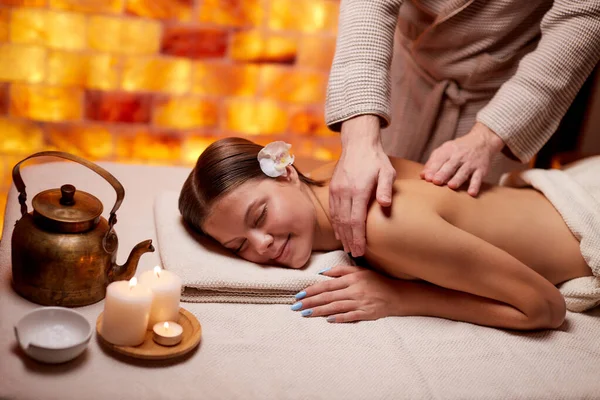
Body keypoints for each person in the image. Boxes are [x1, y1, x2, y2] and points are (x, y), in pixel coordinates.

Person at [178, 138, 594, 331]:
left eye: (260, 215)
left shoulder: (379, 226)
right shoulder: (331, 174)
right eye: (239, 246)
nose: (262, 243)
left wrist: (401, 297)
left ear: (286, 171)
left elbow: (546, 309)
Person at [326, 1, 600, 258]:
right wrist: (360, 142)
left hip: (502, 89)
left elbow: (583, 15)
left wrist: (487, 137)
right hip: (411, 68)